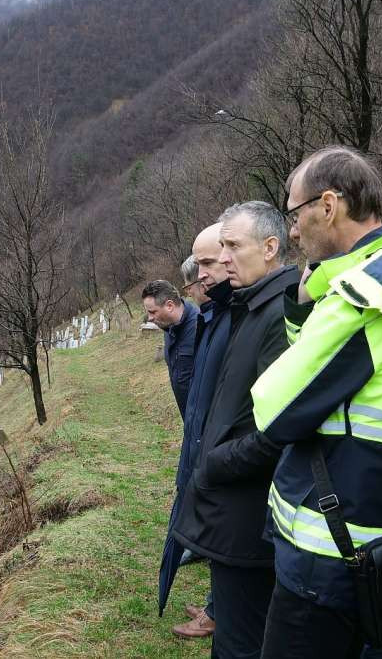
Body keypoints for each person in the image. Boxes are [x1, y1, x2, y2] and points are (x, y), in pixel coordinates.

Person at [212, 147, 382, 658]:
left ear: (327, 206)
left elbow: (274, 408)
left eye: (294, 213)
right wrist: (308, 303)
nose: (291, 231)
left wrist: (320, 306)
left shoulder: (362, 303)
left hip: (326, 555)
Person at [173, 202, 299, 659]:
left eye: (231, 246)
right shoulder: (250, 306)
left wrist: (216, 461)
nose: (223, 259)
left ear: (270, 248)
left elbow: (282, 424)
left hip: (250, 516)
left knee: (241, 643)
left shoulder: (280, 314)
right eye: (219, 248)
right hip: (234, 511)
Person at [164, 232, 234, 639]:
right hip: (203, 440)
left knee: (221, 528)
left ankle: (216, 612)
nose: (197, 287)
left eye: (198, 278)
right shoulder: (208, 320)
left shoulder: (217, 320)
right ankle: (213, 604)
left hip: (219, 447)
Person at [142, 280, 198, 418]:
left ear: (170, 306)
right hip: (188, 418)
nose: (149, 318)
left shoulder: (200, 327)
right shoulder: (169, 327)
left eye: (152, 312)